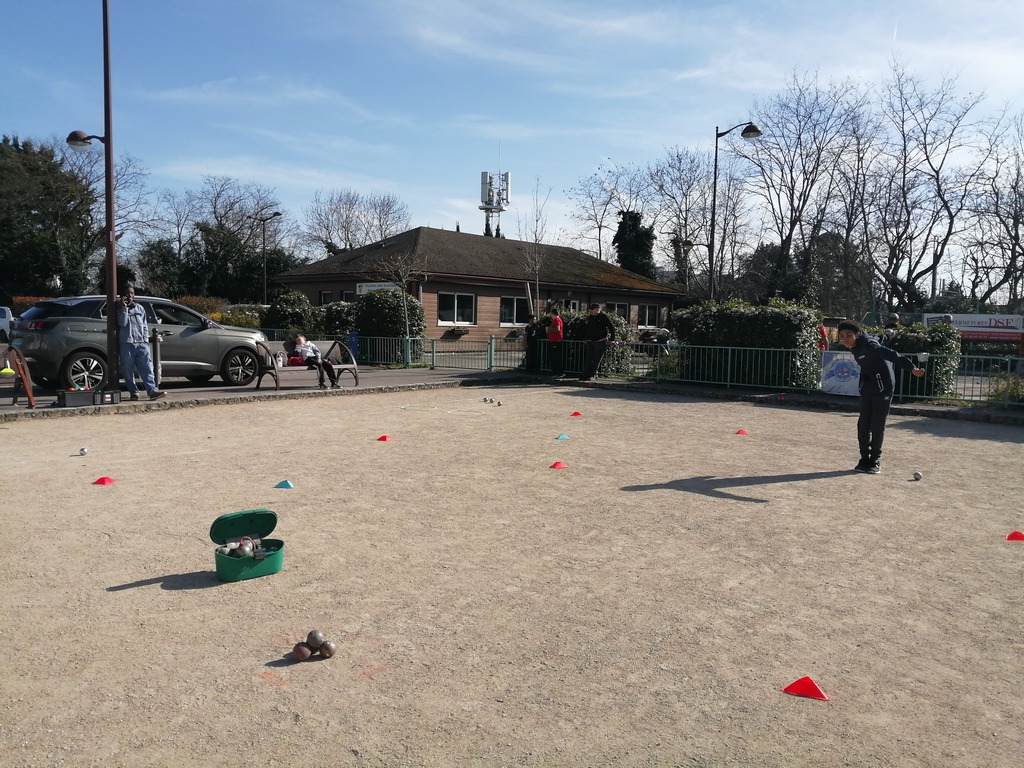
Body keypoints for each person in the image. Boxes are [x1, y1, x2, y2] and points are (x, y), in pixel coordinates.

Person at [837, 319, 925, 474]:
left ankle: (874, 461)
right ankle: (864, 460)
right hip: (867, 386)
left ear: (857, 334)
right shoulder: (855, 345)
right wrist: (886, 335)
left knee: (877, 425)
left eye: (848, 335)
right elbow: (878, 338)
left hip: (884, 386)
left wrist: (912, 369)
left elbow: (893, 355)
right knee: (863, 425)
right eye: (842, 336)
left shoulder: (869, 345)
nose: (845, 339)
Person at [116, 288, 165, 401]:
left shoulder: (140, 308)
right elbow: (122, 323)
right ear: (122, 296)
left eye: (131, 293)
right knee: (127, 369)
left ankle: (152, 391)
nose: (129, 296)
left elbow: (144, 325)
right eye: (127, 294)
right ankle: (133, 392)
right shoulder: (119, 308)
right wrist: (124, 308)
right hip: (127, 343)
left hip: (141, 342)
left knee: (147, 368)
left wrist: (145, 340)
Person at [579, 303, 616, 381]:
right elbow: (587, 328)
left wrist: (612, 339)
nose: (591, 311)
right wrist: (585, 338)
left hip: (600, 341)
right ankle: (585, 374)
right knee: (588, 358)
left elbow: (611, 327)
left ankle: (593, 374)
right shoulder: (590, 317)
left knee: (596, 359)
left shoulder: (603, 317)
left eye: (592, 310)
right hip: (590, 341)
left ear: (597, 309)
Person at [546, 306, 565, 378]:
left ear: (552, 313)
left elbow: (557, 329)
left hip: (556, 341)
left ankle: (559, 372)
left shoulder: (557, 320)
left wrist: (549, 329)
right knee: (553, 357)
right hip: (553, 340)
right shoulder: (556, 320)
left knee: (555, 357)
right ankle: (556, 372)